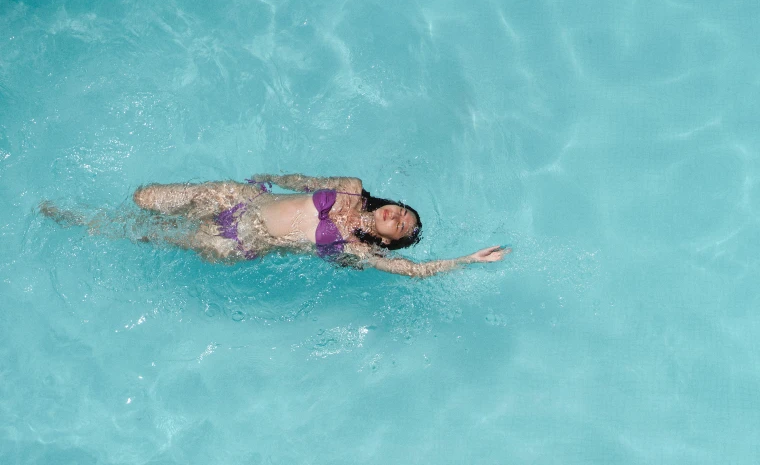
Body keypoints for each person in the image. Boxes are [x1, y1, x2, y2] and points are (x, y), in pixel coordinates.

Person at [42, 173, 510, 277]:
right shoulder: (350, 186)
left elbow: (413, 271)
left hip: (233, 240)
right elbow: (303, 179)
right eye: (403, 211)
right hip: (237, 197)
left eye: (403, 228)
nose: (398, 218)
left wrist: (468, 260)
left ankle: (70, 218)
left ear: (390, 240)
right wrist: (268, 177)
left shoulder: (357, 248)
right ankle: (71, 195)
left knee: (138, 231)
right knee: (145, 198)